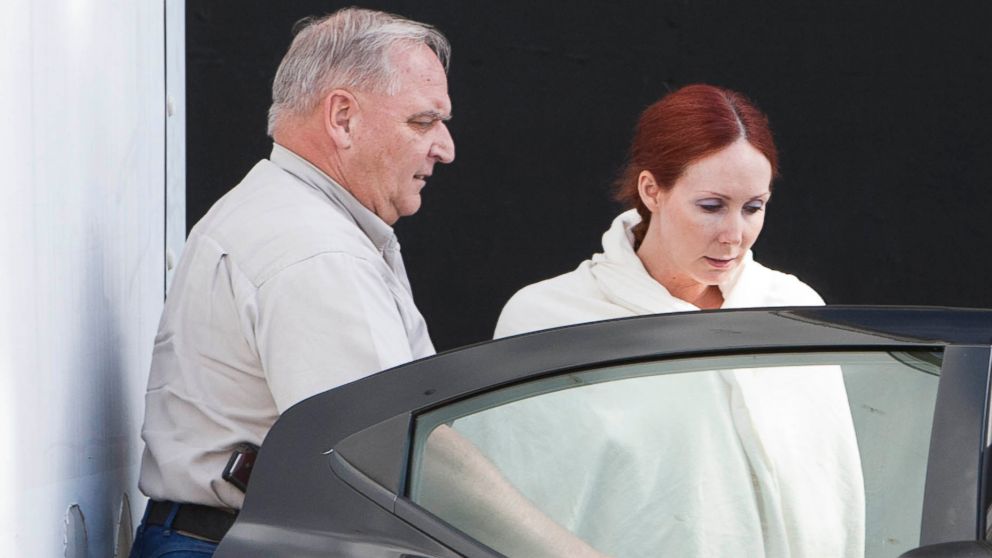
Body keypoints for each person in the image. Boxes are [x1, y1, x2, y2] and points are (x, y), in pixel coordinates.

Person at [449, 84, 866, 557]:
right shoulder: (551, 319)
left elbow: (833, 496)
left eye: (753, 207)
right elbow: (497, 512)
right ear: (651, 190)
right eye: (711, 206)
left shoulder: (792, 310)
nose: (734, 235)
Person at [129, 8, 454, 557]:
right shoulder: (314, 248)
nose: (445, 147)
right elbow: (387, 463)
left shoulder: (288, 217)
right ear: (343, 118)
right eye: (423, 121)